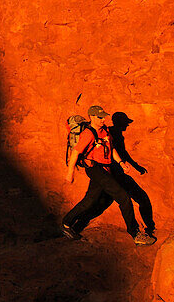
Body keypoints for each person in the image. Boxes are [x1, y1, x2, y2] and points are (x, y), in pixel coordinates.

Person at [61, 105, 155, 245]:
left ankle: (66, 223)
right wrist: (70, 173)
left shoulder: (105, 131)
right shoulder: (88, 133)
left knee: (90, 200)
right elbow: (76, 152)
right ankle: (135, 234)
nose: (103, 119)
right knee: (124, 198)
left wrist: (122, 163)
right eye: (100, 117)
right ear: (92, 117)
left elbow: (111, 149)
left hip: (106, 168)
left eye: (104, 116)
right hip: (95, 169)